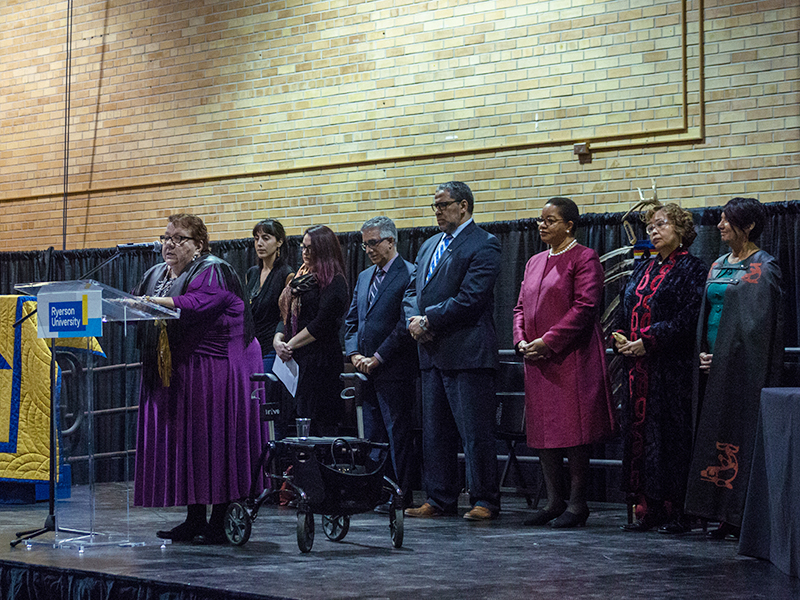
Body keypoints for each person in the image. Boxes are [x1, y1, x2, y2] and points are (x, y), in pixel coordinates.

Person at [134, 213, 264, 545]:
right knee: (193, 445)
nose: (170, 244)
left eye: (179, 239)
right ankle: (194, 519)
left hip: (221, 369)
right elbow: (136, 302)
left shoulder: (215, 269)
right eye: (166, 238)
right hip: (187, 371)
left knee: (217, 441)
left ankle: (220, 520)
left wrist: (152, 303)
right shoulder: (158, 275)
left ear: (199, 244)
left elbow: (195, 304)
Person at [512, 197, 616, 528]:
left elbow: (585, 307)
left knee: (574, 431)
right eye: (540, 220)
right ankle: (554, 501)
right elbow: (519, 308)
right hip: (538, 360)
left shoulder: (584, 258)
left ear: (569, 225)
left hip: (572, 358)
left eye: (550, 220)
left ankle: (577, 502)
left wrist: (549, 341)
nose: (542, 225)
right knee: (545, 432)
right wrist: (521, 341)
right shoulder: (533, 261)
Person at [685, 197, 784, 540]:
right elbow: (706, 315)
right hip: (709, 362)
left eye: (727, 220)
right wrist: (702, 352)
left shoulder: (763, 267)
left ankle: (737, 515)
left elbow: (759, 330)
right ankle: (713, 510)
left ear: (750, 225)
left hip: (742, 371)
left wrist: (725, 357)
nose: (720, 225)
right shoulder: (717, 265)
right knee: (712, 435)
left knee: (738, 438)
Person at [403, 181, 502, 522]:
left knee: (474, 433)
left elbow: (472, 298)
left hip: (467, 352)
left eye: (443, 205)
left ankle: (485, 499)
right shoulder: (429, 245)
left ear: (463, 206)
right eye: (435, 206)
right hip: (431, 353)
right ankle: (440, 497)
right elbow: (411, 292)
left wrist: (427, 320)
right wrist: (413, 320)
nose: (438, 212)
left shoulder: (484, 243)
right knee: (435, 433)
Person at [614, 203, 707, 533]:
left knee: (671, 437)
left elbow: (688, 318)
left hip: (670, 369)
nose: (653, 230)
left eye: (661, 224)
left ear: (680, 231)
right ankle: (650, 506)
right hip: (637, 369)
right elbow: (626, 306)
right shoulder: (643, 268)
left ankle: (679, 509)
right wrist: (622, 336)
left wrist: (649, 340)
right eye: (650, 226)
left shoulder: (693, 269)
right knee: (641, 436)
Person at [344, 216, 419, 510]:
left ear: (391, 241)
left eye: (373, 243)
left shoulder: (409, 273)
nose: (369, 249)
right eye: (365, 245)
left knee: (397, 434)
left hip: (393, 368)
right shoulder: (364, 277)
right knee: (373, 436)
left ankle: (401, 494)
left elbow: (404, 324)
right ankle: (379, 492)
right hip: (364, 370)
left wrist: (378, 357)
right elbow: (352, 321)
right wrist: (353, 355)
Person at [274, 225, 348, 435]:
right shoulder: (300, 278)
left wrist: (289, 345)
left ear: (323, 250)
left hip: (319, 362)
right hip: (296, 358)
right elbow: (284, 315)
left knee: (318, 424)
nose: (304, 252)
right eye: (303, 247)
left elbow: (321, 324)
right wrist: (277, 341)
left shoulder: (335, 282)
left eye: (310, 248)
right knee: (295, 422)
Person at [246, 219, 294, 373]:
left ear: (279, 242)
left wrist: (278, 340)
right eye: (256, 239)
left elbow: (287, 317)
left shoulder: (287, 274)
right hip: (250, 345)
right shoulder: (252, 273)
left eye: (265, 238)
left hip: (272, 346)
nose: (259, 243)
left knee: (263, 391)